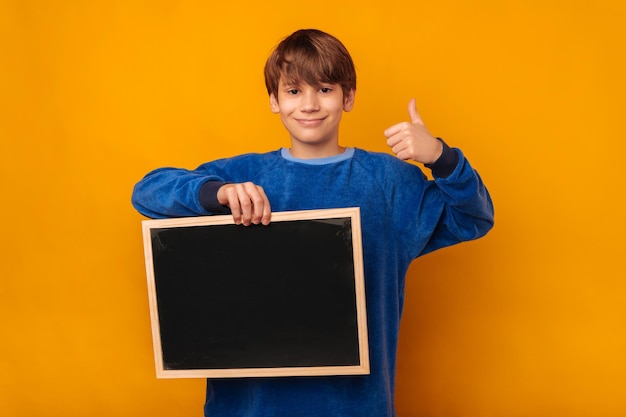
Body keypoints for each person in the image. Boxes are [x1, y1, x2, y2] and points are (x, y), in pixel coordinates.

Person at [132, 28, 494, 417]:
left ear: (348, 97)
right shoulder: (240, 174)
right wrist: (215, 194)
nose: (309, 105)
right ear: (274, 100)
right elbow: (148, 192)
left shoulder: (389, 183)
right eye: (293, 91)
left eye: (324, 89)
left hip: (354, 406)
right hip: (249, 406)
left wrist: (441, 157)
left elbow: (474, 217)